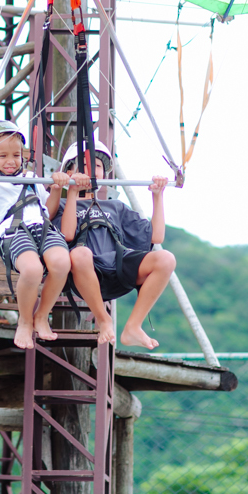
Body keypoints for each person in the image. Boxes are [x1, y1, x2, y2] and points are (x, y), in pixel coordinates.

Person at [56, 141, 176, 349]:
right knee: (81, 253)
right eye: (83, 165)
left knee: (166, 258)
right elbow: (67, 234)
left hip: (118, 269)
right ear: (69, 171)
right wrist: (72, 191)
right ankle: (103, 319)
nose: (91, 170)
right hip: (85, 271)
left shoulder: (116, 206)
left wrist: (157, 196)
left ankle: (133, 326)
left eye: (97, 166)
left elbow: (156, 236)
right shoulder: (61, 205)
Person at [0, 120, 71, 349]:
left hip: (42, 226)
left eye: (16, 155)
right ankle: (25, 320)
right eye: (3, 156)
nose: (11, 161)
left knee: (62, 262)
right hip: (13, 231)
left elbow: (49, 212)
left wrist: (56, 188)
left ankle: (42, 315)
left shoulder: (31, 177)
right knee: (32, 269)